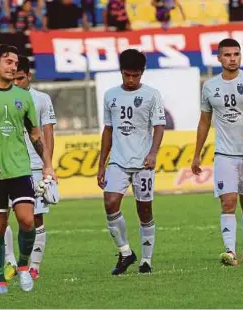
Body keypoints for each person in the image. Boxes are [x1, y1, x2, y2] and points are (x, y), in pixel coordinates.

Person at [0, 44, 55, 294]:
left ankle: (24, 267)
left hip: (20, 169)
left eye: (15, 63)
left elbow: (35, 134)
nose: (13, 66)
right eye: (7, 62)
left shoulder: (24, 97)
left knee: (27, 221)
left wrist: (48, 164)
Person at [191, 38, 243, 266]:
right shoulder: (209, 86)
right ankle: (230, 251)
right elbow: (204, 122)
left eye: (236, 54)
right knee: (228, 202)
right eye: (227, 55)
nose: (232, 58)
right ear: (219, 58)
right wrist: (197, 154)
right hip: (224, 155)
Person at [97, 49, 166, 275]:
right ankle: (125, 252)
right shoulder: (110, 95)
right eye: (127, 75)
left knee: (144, 210)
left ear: (142, 73)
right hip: (118, 161)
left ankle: (146, 260)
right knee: (110, 203)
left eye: (135, 75)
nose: (130, 80)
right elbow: (108, 130)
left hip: (143, 162)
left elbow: (159, 126)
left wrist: (153, 153)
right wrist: (101, 165)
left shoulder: (152, 95)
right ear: (121, 72)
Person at [4, 55, 57, 280]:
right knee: (2, 216)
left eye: (20, 78)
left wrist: (48, 165)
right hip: (8, 166)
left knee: (36, 218)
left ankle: (34, 266)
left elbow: (48, 133)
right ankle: (10, 262)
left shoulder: (42, 99)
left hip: (35, 167)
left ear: (29, 76)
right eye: (13, 79)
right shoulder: (0, 98)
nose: (16, 83)